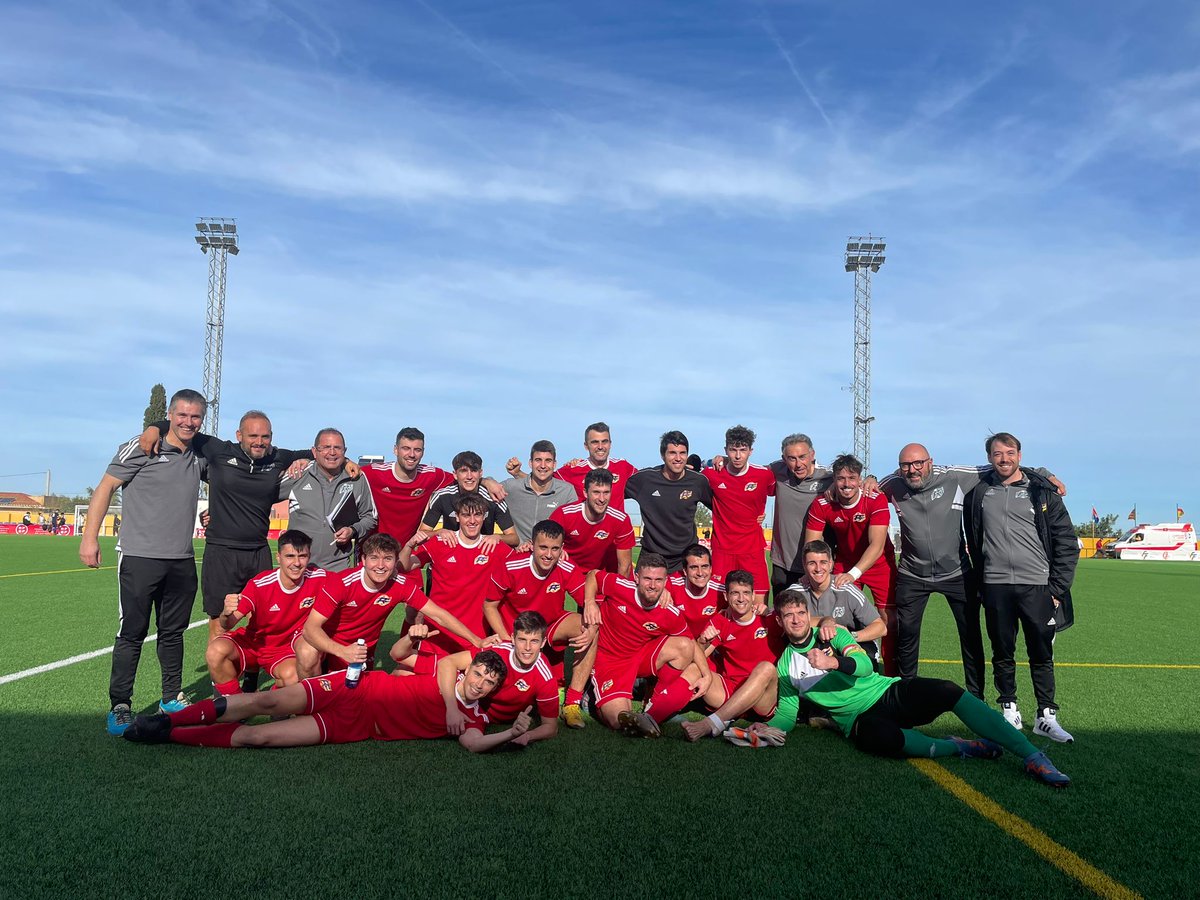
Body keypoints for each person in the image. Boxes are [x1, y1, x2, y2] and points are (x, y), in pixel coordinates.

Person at [682, 592, 1071, 788]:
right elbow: (786, 708)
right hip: (859, 720)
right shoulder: (785, 665)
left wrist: (833, 661)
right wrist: (771, 730)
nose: (797, 619)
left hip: (886, 692)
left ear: (807, 615)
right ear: (781, 623)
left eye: (801, 612)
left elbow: (865, 664)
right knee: (880, 742)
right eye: (789, 616)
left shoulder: (832, 632)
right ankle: (963, 747)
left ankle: (1032, 755)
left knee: (948, 690)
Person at [877, 443, 1063, 698]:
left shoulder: (954, 476)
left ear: (930, 462)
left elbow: (1003, 465)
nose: (912, 470)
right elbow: (868, 487)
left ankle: (976, 698)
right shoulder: (894, 484)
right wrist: (869, 478)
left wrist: (1043, 472)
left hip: (957, 574)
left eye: (918, 463)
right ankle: (907, 696)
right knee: (906, 638)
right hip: (913, 575)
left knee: (971, 637)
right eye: (906, 465)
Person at [80, 388, 208, 734]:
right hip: (139, 556)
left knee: (173, 633)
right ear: (169, 414)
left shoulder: (201, 454)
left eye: (195, 416)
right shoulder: (142, 445)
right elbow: (105, 487)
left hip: (181, 559)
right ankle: (120, 705)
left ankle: (170, 697)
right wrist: (89, 538)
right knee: (132, 633)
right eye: (181, 414)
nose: (188, 422)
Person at [122, 650, 531, 753]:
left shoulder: (475, 718)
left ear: (494, 690)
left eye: (489, 682)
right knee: (265, 703)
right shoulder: (447, 675)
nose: (479, 684)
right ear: (471, 669)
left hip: (355, 728)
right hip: (354, 688)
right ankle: (173, 720)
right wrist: (447, 706)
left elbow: (474, 744)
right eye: (478, 673)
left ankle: (169, 736)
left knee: (258, 738)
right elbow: (448, 664)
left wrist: (509, 734)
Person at [141, 410, 316, 643]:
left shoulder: (278, 457)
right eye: (252, 435)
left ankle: (251, 679)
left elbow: (321, 453)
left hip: (258, 551)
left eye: (265, 436)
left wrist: (343, 462)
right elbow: (184, 426)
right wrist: (154, 427)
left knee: (262, 621)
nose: (259, 441)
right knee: (219, 625)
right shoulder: (219, 450)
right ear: (239, 435)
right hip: (221, 552)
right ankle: (221, 680)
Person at [963, 433, 1078, 743]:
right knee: (1002, 651)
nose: (1004, 459)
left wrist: (1056, 588)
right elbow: (973, 540)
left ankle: (1046, 716)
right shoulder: (979, 494)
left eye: (1010, 452)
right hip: (996, 585)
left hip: (1038, 586)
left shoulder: (1041, 492)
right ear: (989, 458)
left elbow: (1067, 542)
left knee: (1041, 653)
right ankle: (1009, 709)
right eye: (997, 454)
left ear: (1020, 454)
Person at [296, 532, 486, 679]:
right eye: (374, 558)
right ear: (363, 560)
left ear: (396, 562)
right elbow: (310, 629)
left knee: (353, 698)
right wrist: (341, 651)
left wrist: (475, 640)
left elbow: (438, 614)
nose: (380, 565)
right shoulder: (342, 582)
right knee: (307, 652)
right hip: (331, 644)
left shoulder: (400, 584)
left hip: (363, 650)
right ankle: (309, 708)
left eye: (387, 559)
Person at [581, 553, 711, 737]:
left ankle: (652, 702)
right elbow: (593, 575)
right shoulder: (620, 587)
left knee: (684, 646)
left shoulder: (669, 611)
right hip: (610, 660)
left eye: (658, 580)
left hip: (639, 656)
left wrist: (707, 675)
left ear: (666, 581)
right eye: (647, 579)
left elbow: (691, 642)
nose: (652, 585)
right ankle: (591, 697)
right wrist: (589, 602)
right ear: (636, 577)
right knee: (618, 720)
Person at [484, 520, 595, 729]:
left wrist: (591, 623)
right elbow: (489, 606)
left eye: (555, 548)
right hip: (514, 634)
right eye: (543, 547)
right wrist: (507, 639)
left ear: (562, 549)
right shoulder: (512, 566)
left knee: (589, 625)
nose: (549, 554)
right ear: (532, 545)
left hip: (549, 627)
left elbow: (590, 601)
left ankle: (572, 702)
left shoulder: (566, 567)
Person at [803, 454, 898, 675]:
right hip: (844, 562)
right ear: (833, 480)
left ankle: (890, 675)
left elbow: (877, 544)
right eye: (841, 478)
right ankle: (841, 669)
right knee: (835, 614)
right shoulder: (822, 503)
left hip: (879, 564)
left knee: (887, 620)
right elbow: (812, 544)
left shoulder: (874, 498)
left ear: (860, 479)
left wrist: (854, 574)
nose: (847, 484)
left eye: (852, 478)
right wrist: (811, 570)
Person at [396, 494, 511, 674]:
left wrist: (520, 545)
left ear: (484, 517)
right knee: (408, 680)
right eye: (466, 515)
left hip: (475, 635)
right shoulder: (441, 542)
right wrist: (409, 545)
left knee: (467, 691)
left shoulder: (495, 546)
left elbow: (525, 566)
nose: (472, 521)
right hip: (437, 633)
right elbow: (404, 565)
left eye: (477, 515)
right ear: (457, 517)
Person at [206, 530, 325, 693]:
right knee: (215, 651)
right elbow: (227, 624)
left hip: (283, 649)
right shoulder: (260, 584)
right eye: (290, 556)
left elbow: (349, 582)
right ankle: (237, 704)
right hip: (255, 643)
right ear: (278, 558)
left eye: (302, 556)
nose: (296, 563)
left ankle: (274, 698)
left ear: (309, 557)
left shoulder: (319, 578)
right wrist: (226, 613)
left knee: (292, 676)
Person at [438, 611, 560, 744]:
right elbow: (447, 662)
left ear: (543, 643)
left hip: (484, 718)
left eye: (534, 641)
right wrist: (452, 708)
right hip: (467, 701)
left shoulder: (544, 676)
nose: (527, 648)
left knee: (470, 742)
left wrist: (527, 736)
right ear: (513, 639)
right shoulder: (498, 651)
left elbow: (551, 727)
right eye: (522, 640)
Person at [279, 428, 377, 571]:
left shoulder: (357, 478)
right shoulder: (298, 474)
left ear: (345, 451)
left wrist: (353, 530)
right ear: (314, 451)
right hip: (300, 568)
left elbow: (370, 517)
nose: (332, 452)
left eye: (337, 448)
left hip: (339, 568)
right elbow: (263, 495)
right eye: (325, 447)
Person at [694, 570, 783, 715]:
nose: (741, 598)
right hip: (730, 691)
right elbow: (699, 655)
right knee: (691, 665)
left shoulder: (769, 618)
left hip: (762, 699)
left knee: (766, 669)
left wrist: (827, 622)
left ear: (753, 595)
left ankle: (716, 722)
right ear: (726, 596)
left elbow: (803, 624)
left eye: (746, 593)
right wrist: (702, 641)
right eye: (735, 593)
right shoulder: (721, 620)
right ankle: (657, 713)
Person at [702, 426, 774, 602]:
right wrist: (711, 460)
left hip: (752, 549)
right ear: (726, 449)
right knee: (720, 603)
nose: (737, 455)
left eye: (743, 450)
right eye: (733, 450)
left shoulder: (763, 475)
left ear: (751, 451)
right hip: (722, 549)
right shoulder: (712, 474)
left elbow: (784, 488)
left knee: (759, 605)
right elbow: (691, 465)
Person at [624, 431, 713, 573]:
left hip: (685, 559)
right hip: (651, 556)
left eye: (682, 453)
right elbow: (609, 493)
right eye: (672, 453)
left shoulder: (698, 481)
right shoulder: (644, 479)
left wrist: (756, 514)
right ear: (662, 455)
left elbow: (723, 507)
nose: (678, 458)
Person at [783, 540, 886, 663]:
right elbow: (779, 618)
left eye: (823, 562)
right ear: (804, 565)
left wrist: (849, 636)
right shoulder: (795, 593)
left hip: (855, 645)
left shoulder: (845, 589)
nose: (818, 568)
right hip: (817, 649)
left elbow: (881, 628)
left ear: (831, 564)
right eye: (812, 563)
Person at [419, 450, 518, 547]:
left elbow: (514, 538)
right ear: (455, 474)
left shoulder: (493, 498)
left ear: (480, 473)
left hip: (483, 555)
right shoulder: (442, 496)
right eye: (464, 471)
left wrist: (497, 537)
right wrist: (439, 532)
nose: (469, 476)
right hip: (450, 554)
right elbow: (422, 533)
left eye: (474, 470)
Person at [549, 469, 635, 577]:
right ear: (585, 492)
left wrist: (617, 591)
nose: (602, 499)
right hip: (568, 572)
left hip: (599, 575)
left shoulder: (621, 520)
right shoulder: (564, 514)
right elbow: (546, 545)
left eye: (606, 492)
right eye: (596, 492)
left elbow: (624, 566)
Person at [539, 422, 640, 513]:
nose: (600, 446)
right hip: (584, 531)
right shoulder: (573, 469)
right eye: (595, 442)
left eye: (604, 441)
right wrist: (521, 473)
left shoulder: (623, 466)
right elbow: (540, 481)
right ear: (586, 446)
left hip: (615, 531)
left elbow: (647, 483)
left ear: (610, 444)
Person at [499, 441, 578, 543]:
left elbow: (574, 529)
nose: (543, 465)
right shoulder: (511, 487)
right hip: (517, 554)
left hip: (551, 555)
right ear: (530, 463)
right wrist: (487, 481)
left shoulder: (567, 491)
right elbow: (483, 491)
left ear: (554, 464)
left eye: (548, 460)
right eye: (538, 460)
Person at [665, 543, 726, 639]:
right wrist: (660, 591)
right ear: (685, 571)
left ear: (711, 569)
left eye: (704, 566)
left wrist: (757, 607)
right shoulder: (671, 584)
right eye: (694, 567)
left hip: (706, 644)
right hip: (679, 642)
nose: (700, 573)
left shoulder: (720, 590)